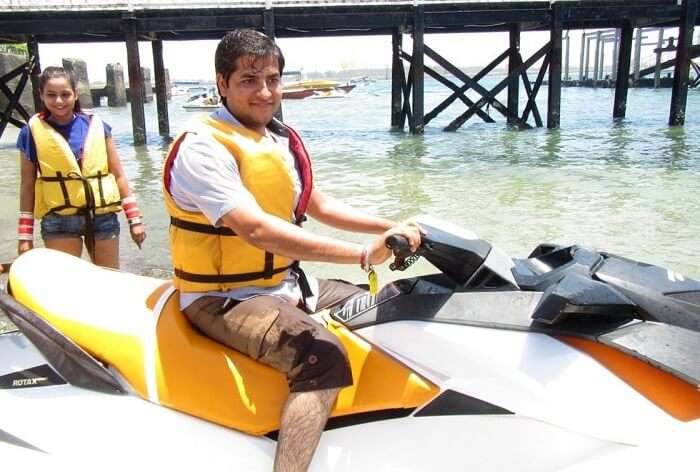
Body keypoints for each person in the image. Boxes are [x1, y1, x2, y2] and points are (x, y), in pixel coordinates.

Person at [162, 29, 421, 472]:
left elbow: (318, 205)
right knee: (322, 358)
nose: (265, 92)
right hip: (225, 298)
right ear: (222, 83)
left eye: (273, 79)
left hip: (287, 284)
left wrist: (394, 225)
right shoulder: (202, 146)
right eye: (248, 80)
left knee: (393, 304)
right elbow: (256, 229)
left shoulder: (276, 137)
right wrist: (362, 254)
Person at [17, 66, 146, 269]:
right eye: (51, 95)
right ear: (41, 95)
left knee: (109, 279)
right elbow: (27, 185)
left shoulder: (96, 125)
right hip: (59, 220)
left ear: (75, 94)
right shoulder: (30, 133)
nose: (59, 101)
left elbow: (118, 174)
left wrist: (134, 219)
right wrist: (25, 236)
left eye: (65, 94)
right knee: (67, 284)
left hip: (102, 219)